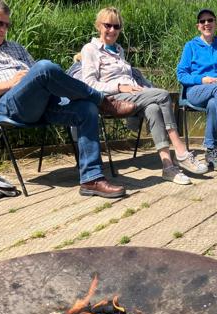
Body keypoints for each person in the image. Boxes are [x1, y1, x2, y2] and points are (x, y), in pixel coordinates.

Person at [0, 0, 135, 198]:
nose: (4, 29)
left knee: (86, 109)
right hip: (7, 104)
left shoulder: (16, 48)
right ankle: (104, 101)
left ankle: (92, 179)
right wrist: (11, 83)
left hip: (41, 102)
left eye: (7, 25)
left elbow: (38, 79)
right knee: (45, 67)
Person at [78, 7, 208, 185]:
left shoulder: (118, 50)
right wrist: (120, 86)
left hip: (134, 94)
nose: (112, 30)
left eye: (117, 27)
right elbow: (89, 85)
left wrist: (133, 85)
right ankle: (181, 151)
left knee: (153, 108)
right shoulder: (90, 49)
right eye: (108, 25)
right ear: (99, 26)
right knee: (162, 95)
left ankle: (168, 167)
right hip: (113, 99)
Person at [176, 8, 217, 170]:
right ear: (198, 26)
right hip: (196, 90)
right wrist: (201, 79)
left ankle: (211, 152)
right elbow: (181, 74)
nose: (207, 24)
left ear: (215, 24)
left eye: (210, 20)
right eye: (203, 21)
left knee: (214, 103)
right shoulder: (191, 46)